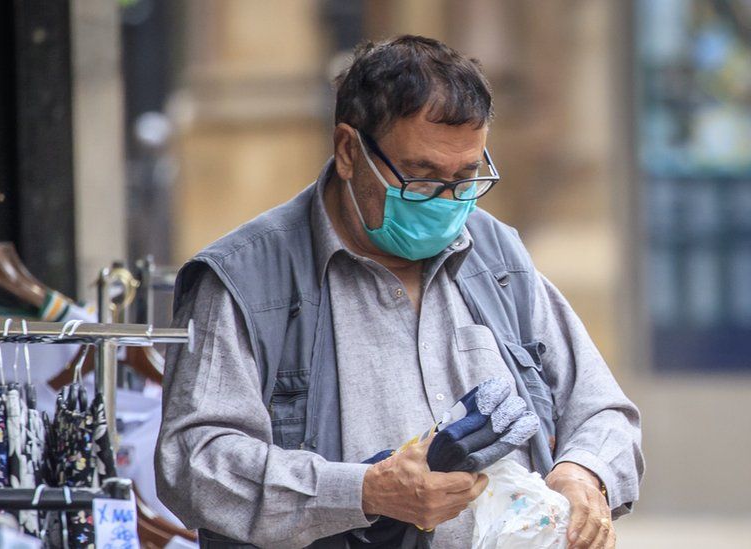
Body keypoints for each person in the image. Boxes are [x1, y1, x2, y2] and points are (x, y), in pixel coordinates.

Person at [156, 35, 643, 549]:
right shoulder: (246, 280)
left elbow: (603, 410)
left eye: (466, 177)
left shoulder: (498, 258)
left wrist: (583, 473)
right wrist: (365, 492)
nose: (447, 200)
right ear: (348, 151)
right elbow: (194, 463)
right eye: (422, 176)